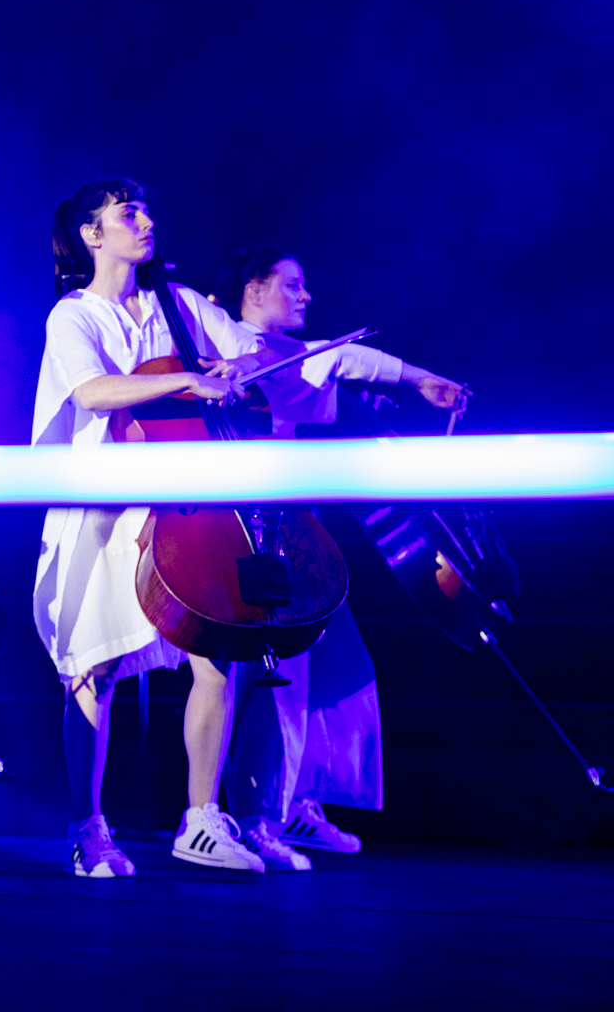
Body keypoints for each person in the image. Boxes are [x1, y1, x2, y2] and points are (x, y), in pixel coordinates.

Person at [32, 179, 271, 876]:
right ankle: (88, 826)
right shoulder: (73, 316)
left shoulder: (182, 304)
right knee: (93, 669)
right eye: (127, 213)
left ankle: (199, 819)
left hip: (179, 504)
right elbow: (94, 392)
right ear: (92, 234)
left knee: (213, 651)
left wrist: (237, 364)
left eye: (145, 209)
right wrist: (185, 382)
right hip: (103, 506)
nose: (147, 222)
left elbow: (259, 349)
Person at [213, 246, 466, 868]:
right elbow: (328, 360)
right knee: (278, 677)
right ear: (254, 289)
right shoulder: (227, 340)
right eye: (292, 285)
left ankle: (292, 800)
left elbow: (346, 356)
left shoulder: (291, 355)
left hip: (293, 526)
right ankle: (255, 814)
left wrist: (419, 379)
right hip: (247, 532)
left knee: (341, 668)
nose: (304, 296)